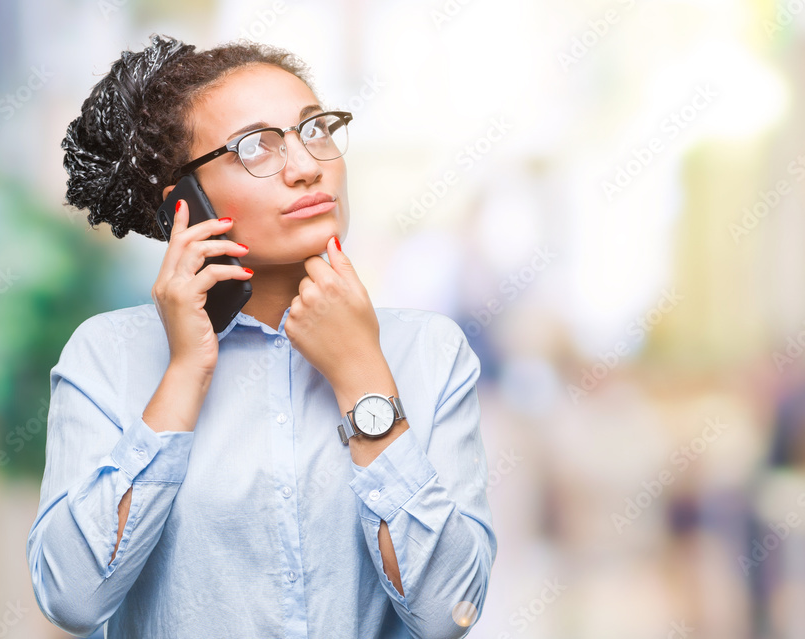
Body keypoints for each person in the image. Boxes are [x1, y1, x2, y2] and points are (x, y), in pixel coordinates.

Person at [25, 34, 496, 638]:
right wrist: (184, 374)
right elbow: (72, 599)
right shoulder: (108, 356)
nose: (306, 168)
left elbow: (447, 613)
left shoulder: (431, 352)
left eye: (315, 130)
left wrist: (361, 377)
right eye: (257, 147)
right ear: (185, 207)